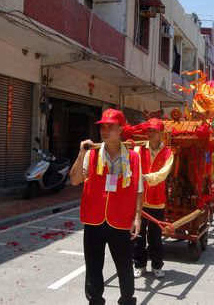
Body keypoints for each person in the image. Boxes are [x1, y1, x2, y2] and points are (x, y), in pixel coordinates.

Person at [69, 108, 143, 305]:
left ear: (121, 130)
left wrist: (137, 217)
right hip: (94, 220)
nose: (104, 130)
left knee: (125, 267)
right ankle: (95, 301)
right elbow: (75, 180)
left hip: (121, 220)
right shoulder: (91, 154)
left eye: (110, 127)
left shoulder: (134, 158)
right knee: (93, 267)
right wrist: (80, 153)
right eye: (102, 126)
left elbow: (138, 189)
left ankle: (127, 301)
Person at [133, 118, 174, 279]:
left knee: (155, 235)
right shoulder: (138, 149)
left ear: (161, 133)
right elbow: (132, 163)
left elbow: (164, 173)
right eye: (149, 130)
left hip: (157, 200)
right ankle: (139, 264)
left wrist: (146, 177)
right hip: (140, 200)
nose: (151, 133)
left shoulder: (168, 153)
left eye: (154, 131)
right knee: (138, 234)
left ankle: (157, 265)